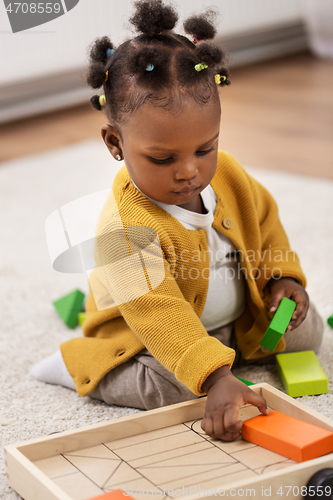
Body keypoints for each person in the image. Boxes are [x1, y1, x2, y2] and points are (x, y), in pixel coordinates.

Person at [31, 0, 324, 441]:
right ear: (116, 143)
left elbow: (265, 230)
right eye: (163, 158)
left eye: (204, 148)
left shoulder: (228, 174)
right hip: (149, 335)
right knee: (172, 389)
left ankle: (219, 352)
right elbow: (160, 314)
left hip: (227, 317)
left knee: (309, 330)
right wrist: (213, 377)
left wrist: (282, 280)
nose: (189, 170)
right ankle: (78, 364)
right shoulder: (124, 231)